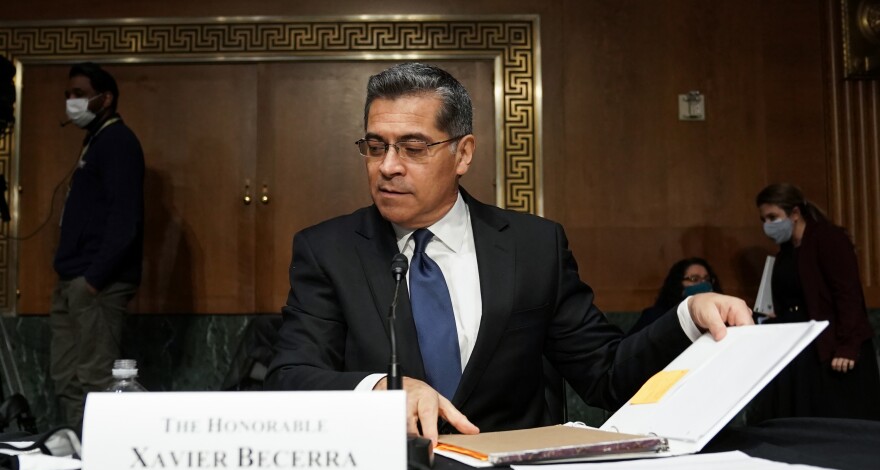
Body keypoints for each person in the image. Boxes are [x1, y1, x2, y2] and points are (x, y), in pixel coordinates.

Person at [265, 62, 753, 444]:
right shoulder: (328, 250)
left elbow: (606, 374)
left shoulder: (533, 246)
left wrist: (687, 316)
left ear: (463, 154)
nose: (388, 167)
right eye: (375, 147)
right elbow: (289, 379)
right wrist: (381, 390)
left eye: (413, 148)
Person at [50, 62, 145, 433]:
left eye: (79, 94)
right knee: (66, 376)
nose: (71, 102)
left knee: (95, 377)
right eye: (68, 95)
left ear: (104, 99)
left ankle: (101, 462)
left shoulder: (119, 142)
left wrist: (94, 279)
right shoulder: (96, 141)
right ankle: (78, 457)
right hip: (74, 278)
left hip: (97, 284)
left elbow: (125, 220)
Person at [749, 183, 880, 421]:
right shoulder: (786, 252)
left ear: (795, 213)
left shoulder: (829, 239)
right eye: (763, 219)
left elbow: (848, 295)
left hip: (833, 347)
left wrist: (848, 346)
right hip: (801, 345)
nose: (767, 225)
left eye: (773, 217)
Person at [629, 258, 722, 334]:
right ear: (677, 285)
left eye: (707, 279)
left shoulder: (722, 316)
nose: (703, 283)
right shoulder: (656, 317)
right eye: (694, 279)